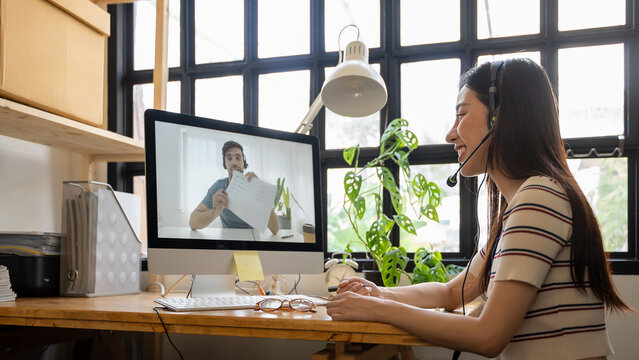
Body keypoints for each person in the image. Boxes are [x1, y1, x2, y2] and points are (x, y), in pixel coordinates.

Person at [326, 58, 630, 359]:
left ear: (500, 117)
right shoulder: (527, 202)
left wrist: (379, 309)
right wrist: (380, 294)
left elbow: (488, 336)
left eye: (461, 115)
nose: (450, 134)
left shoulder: (540, 199)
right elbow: (450, 292)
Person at [189, 140, 279, 234]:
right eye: (229, 158)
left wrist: (260, 193)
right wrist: (214, 212)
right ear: (225, 163)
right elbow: (192, 223)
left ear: (243, 163)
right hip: (227, 242)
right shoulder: (219, 187)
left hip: (252, 241)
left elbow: (275, 229)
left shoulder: (255, 186)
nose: (234, 162)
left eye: (238, 158)